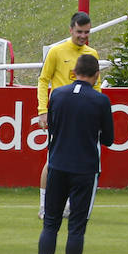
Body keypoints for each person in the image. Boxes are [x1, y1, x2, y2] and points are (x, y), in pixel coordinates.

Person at [33, 55, 113, 254]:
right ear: (97, 75)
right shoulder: (101, 100)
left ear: (74, 72)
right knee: (76, 227)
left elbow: (53, 127)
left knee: (50, 223)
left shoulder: (57, 94)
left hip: (57, 165)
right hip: (85, 169)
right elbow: (108, 138)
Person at [35, 12, 100, 219]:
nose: (83, 36)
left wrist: (97, 112)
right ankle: (45, 205)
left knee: (81, 160)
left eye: (87, 32)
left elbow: (97, 87)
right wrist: (42, 111)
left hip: (84, 117)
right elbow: (43, 80)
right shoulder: (56, 51)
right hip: (61, 115)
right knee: (52, 160)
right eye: (79, 32)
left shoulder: (92, 54)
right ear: (71, 29)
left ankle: (73, 205)